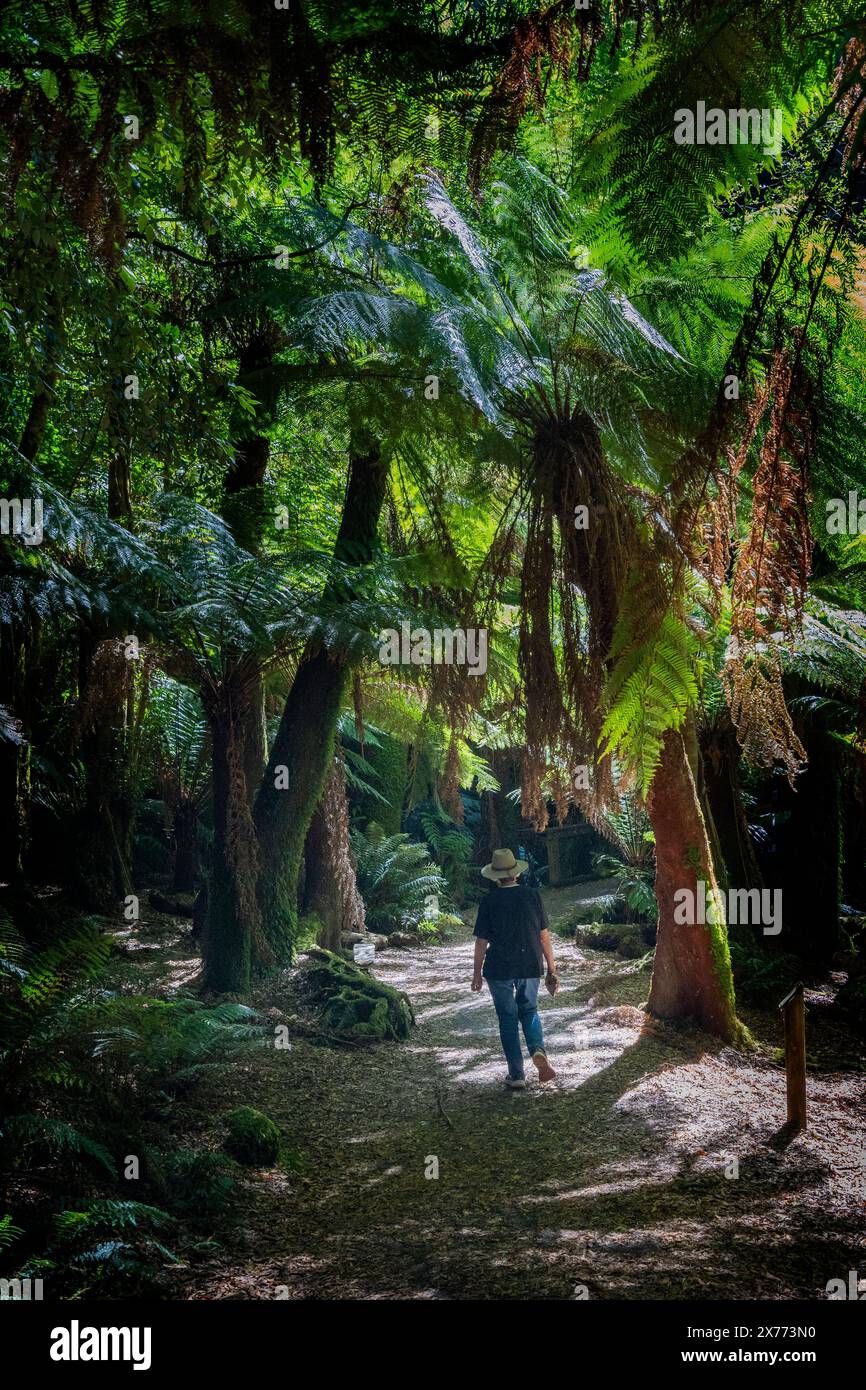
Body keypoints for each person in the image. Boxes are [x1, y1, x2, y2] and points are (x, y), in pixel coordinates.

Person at [471, 848, 558, 1090]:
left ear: (496, 877)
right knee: (529, 1011)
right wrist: (551, 967)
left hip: (498, 967)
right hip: (530, 963)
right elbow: (544, 936)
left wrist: (476, 973)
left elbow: (481, 942)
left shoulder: (489, 901)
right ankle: (538, 1050)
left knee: (507, 1019)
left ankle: (517, 1074)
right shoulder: (532, 896)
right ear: (516, 874)